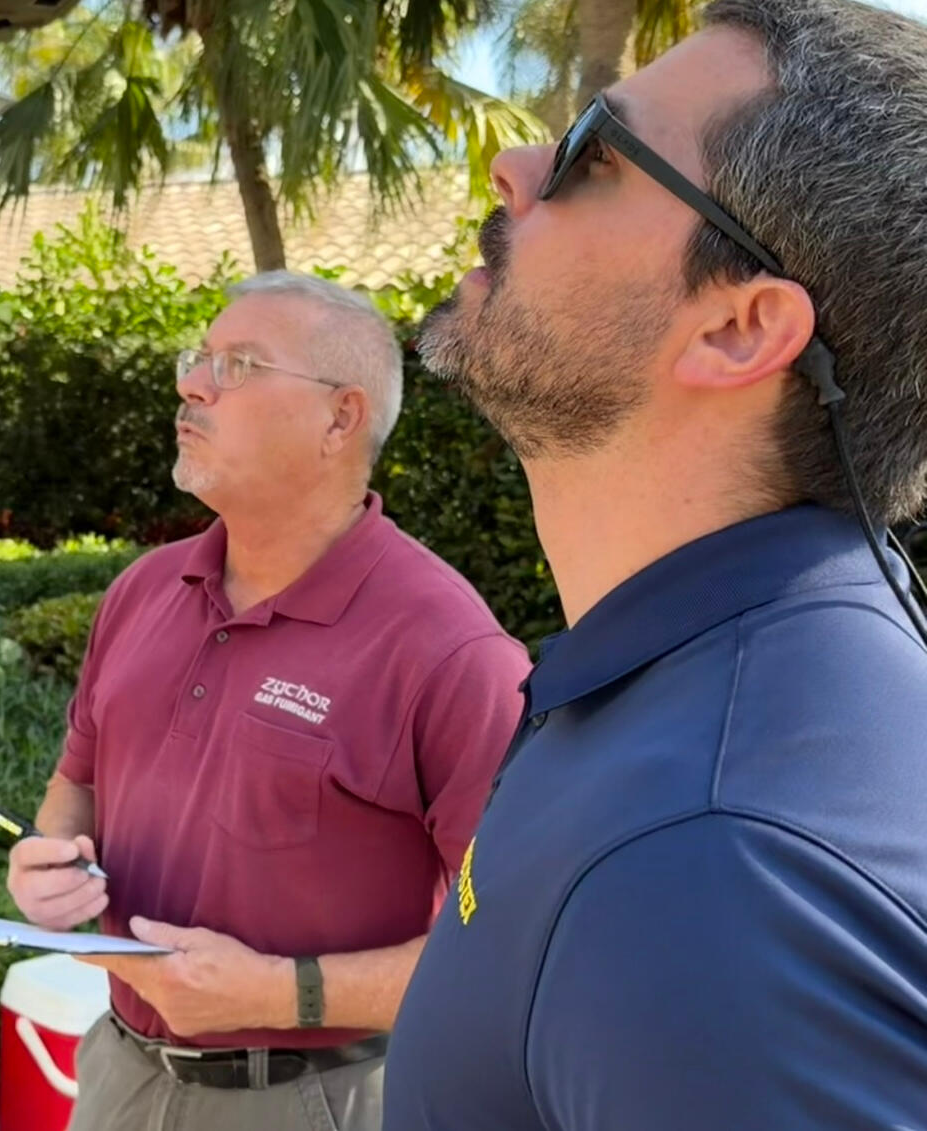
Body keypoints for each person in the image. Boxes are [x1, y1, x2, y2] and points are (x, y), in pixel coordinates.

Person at [383, 2, 927, 1128]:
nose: (515, 163)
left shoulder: (711, 868)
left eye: (595, 152)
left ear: (738, 329)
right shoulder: (707, 689)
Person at [6, 272, 531, 1131]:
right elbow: (76, 788)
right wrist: (50, 857)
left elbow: (510, 952)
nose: (192, 383)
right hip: (118, 1075)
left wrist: (287, 991)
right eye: (199, 358)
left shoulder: (449, 651)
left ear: (340, 417)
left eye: (240, 364)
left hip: (319, 1098)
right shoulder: (142, 591)